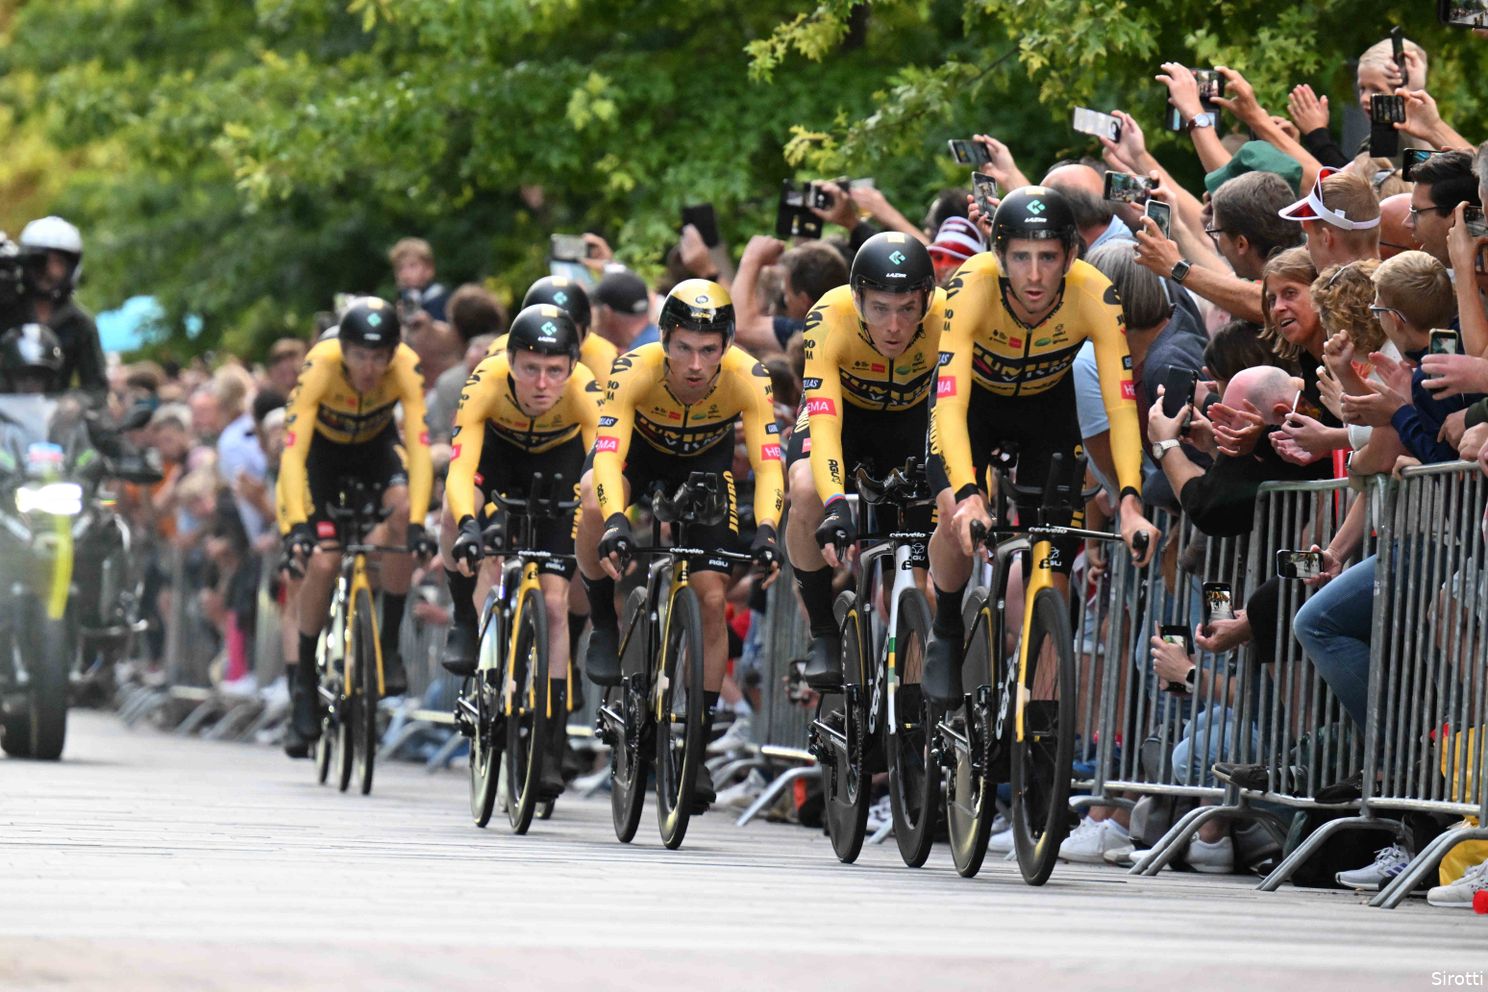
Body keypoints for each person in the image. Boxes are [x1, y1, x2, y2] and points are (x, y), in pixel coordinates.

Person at [922, 186, 1160, 705]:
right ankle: (945, 626)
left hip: (1048, 411)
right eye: (1021, 258)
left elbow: (1121, 406)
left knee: (1055, 549)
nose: (1034, 275)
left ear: (1070, 256)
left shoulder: (1094, 292)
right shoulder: (971, 286)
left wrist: (1130, 503)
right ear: (999, 256)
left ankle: (1042, 708)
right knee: (952, 516)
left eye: (1048, 257)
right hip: (974, 409)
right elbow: (949, 404)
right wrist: (966, 494)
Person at [575, 279, 783, 808]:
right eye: (684, 347)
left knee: (712, 600)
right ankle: (603, 620)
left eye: (709, 349)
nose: (695, 364)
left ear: (728, 346)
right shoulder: (633, 369)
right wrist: (619, 520)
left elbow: (767, 461)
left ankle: (696, 742)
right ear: (664, 339)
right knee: (593, 501)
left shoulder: (748, 377)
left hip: (705, 470)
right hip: (636, 461)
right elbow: (606, 454)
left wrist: (767, 530)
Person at [439, 305, 600, 798]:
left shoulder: (586, 389)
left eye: (555, 370)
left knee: (554, 603)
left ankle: (549, 743)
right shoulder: (485, 379)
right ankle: (468, 625)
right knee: (456, 520)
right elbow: (462, 469)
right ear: (509, 361)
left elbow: (602, 471)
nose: (542, 382)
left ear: (572, 366)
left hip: (559, 464)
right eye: (530, 367)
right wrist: (468, 524)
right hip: (498, 459)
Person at [784, 233, 943, 689]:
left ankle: (911, 704)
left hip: (909, 428)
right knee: (806, 490)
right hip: (842, 422)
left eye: (908, 309)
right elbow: (825, 423)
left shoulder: (946, 318)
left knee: (920, 584)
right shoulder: (828, 317)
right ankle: (822, 631)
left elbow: (959, 414)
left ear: (926, 301)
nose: (894, 326)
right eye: (879, 308)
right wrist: (836, 503)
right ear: (858, 300)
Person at [277, 297, 434, 757]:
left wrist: (422, 522)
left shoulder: (405, 366)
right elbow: (291, 452)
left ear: (392, 354)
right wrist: (296, 527)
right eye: (360, 356)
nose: (370, 368)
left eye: (379, 357)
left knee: (402, 514)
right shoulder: (321, 365)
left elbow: (420, 447)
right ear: (343, 351)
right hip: (320, 461)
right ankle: (304, 684)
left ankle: (387, 643)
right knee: (323, 562)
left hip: (374, 450)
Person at [17, 216, 106, 401]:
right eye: (40, 261)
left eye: (57, 263)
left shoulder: (80, 323)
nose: (48, 271)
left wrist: (75, 403)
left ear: (71, 267)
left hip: (56, 425)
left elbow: (96, 387)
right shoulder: (6, 311)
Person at [489, 276, 618, 383]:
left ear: (585, 331)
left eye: (566, 330)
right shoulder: (502, 351)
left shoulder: (603, 355)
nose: (555, 342)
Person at [388, 237, 449, 322]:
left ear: (429, 269)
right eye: (400, 268)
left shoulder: (440, 297)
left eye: (412, 266)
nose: (405, 273)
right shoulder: (404, 297)